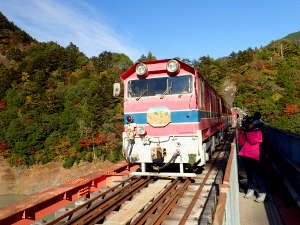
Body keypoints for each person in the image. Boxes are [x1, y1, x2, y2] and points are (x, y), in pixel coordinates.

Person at [238, 117, 266, 202]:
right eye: (247, 124)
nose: (248, 125)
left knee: (257, 175)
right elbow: (241, 142)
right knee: (249, 174)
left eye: (249, 124)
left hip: (254, 156)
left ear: (253, 124)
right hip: (245, 155)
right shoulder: (247, 131)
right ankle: (250, 189)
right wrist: (241, 133)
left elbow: (253, 141)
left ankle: (263, 192)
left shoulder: (258, 131)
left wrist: (247, 133)